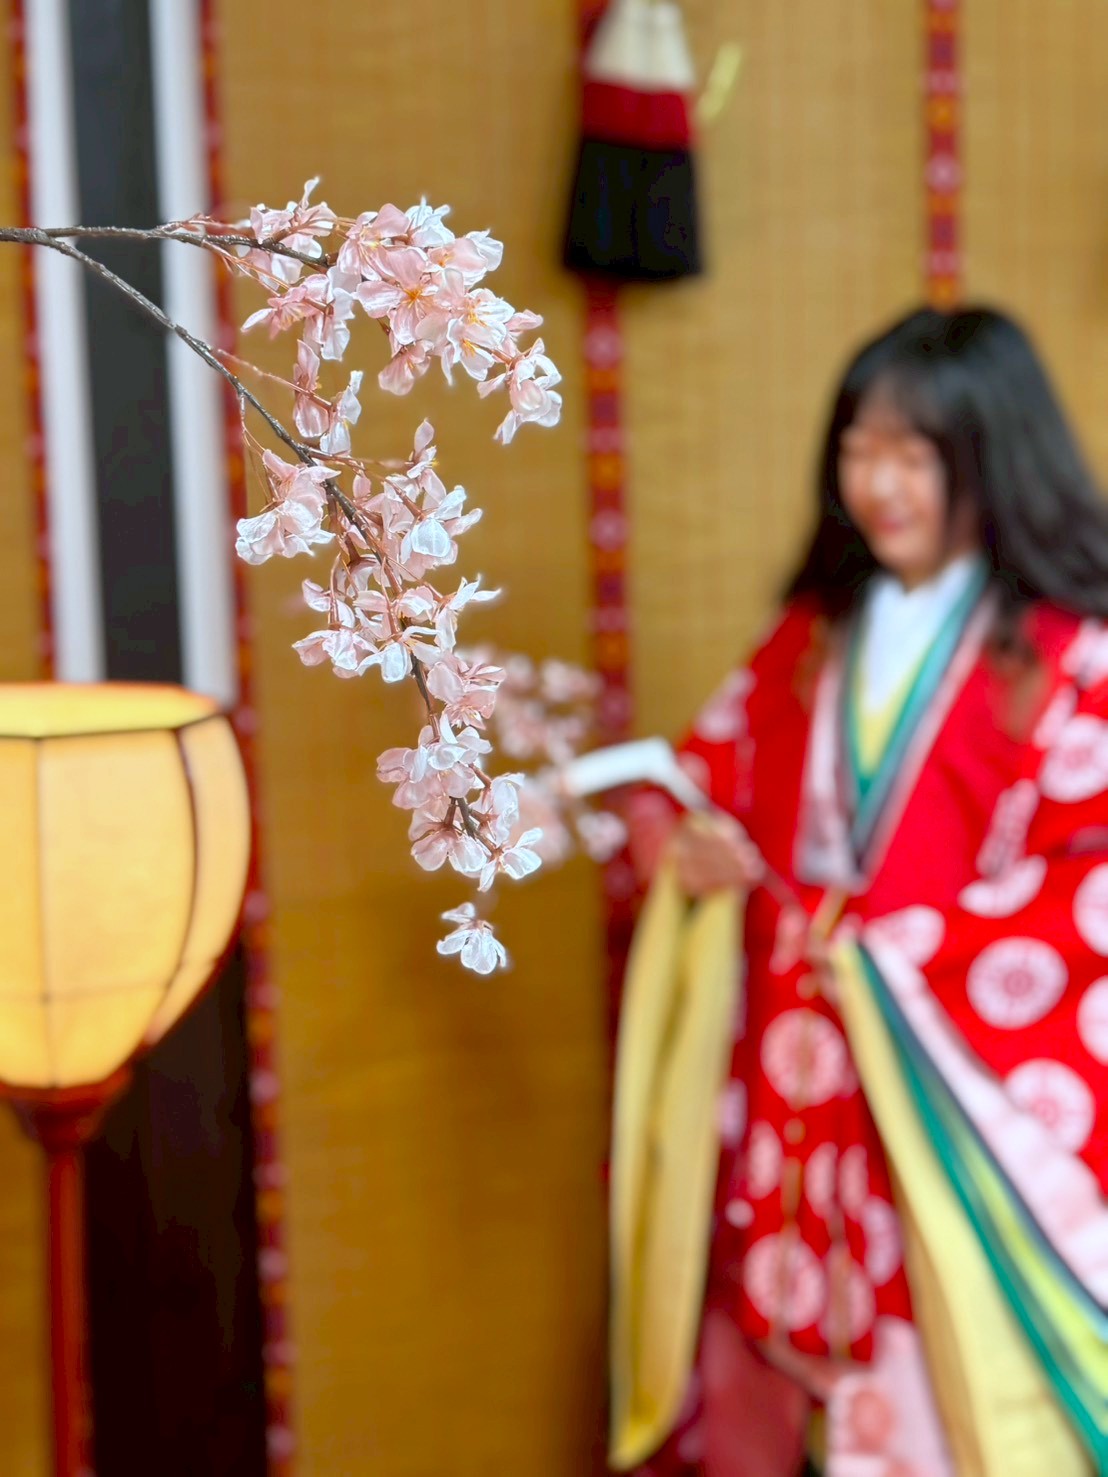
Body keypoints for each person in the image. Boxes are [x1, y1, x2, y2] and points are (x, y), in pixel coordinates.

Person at [616, 306, 1108, 1476]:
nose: (877, 486)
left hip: (942, 1078)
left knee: (939, 1364)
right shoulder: (809, 637)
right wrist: (688, 851)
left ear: (988, 458)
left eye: (912, 456)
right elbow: (696, 787)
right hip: (796, 1064)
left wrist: (898, 956)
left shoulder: (1066, 654)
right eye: (857, 451)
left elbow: (1088, 874)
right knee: (778, 1362)